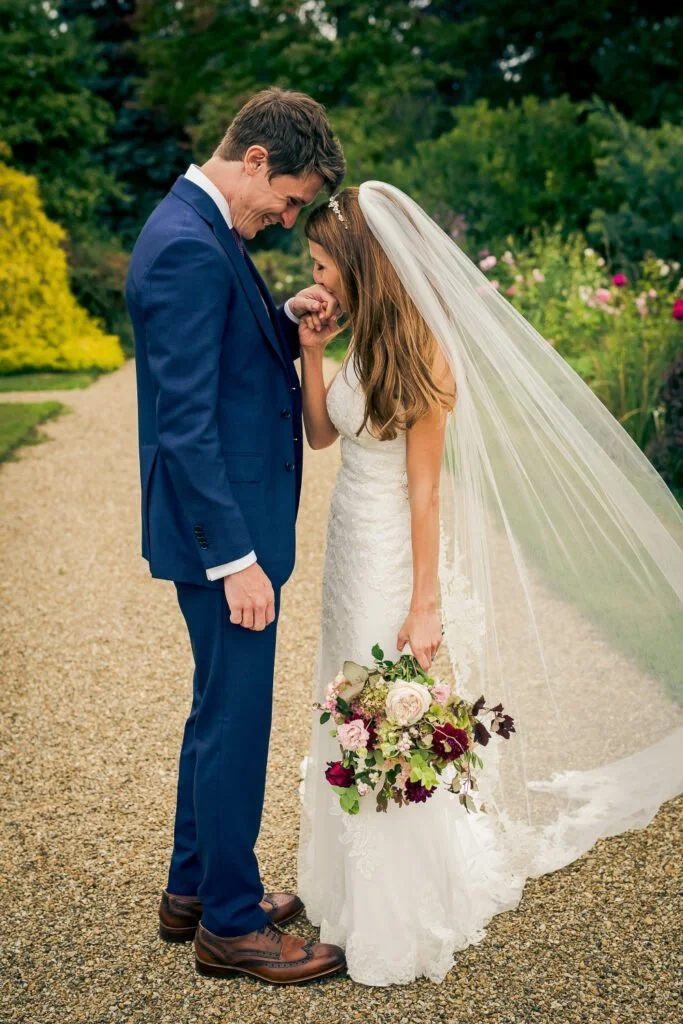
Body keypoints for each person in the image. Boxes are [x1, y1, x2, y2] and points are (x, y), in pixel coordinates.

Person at [296, 182, 683, 986]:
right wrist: (312, 349)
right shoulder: (359, 338)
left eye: (323, 263)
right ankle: (345, 894)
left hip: (391, 557)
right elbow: (323, 433)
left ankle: (393, 914)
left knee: (385, 710)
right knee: (346, 704)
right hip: (346, 547)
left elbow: (427, 493)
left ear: (363, 264)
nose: (316, 276)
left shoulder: (423, 350)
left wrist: (424, 602)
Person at [125, 87, 349, 983]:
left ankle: (192, 886)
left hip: (231, 530)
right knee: (235, 719)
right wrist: (235, 559)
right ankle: (228, 921)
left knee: (217, 707)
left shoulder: (203, 227)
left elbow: (222, 361)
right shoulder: (187, 243)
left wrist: (284, 322)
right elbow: (184, 422)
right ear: (254, 159)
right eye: (288, 198)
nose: (286, 216)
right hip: (225, 541)